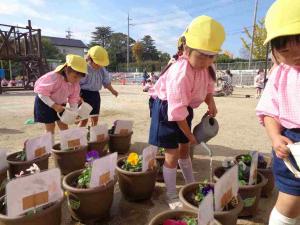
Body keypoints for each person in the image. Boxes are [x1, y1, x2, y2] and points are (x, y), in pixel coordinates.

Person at [148, 15, 225, 205]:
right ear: (186, 49)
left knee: (185, 149)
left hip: (184, 108)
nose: (206, 61)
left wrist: (211, 103)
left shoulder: (207, 66)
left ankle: (190, 184)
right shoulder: (180, 73)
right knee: (172, 153)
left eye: (211, 56)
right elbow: (176, 111)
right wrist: (189, 135)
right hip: (166, 109)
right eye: (201, 55)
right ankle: (172, 195)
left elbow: (208, 88)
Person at [256, 0, 300, 224]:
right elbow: (269, 112)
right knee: (290, 200)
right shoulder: (280, 74)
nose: (296, 55)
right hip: (293, 143)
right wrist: (275, 137)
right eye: (285, 51)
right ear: (274, 52)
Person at [34, 54, 87, 140]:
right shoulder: (53, 77)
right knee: (50, 127)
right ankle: (49, 149)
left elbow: (73, 99)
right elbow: (42, 93)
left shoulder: (75, 84)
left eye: (79, 78)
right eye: (75, 77)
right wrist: (54, 106)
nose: (77, 80)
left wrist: (74, 113)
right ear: (66, 70)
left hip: (60, 104)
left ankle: (66, 148)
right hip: (45, 102)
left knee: (64, 125)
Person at [79, 46, 118, 127]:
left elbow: (106, 82)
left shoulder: (102, 69)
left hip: (95, 95)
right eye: (97, 63)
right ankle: (79, 137)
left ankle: (92, 135)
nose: (99, 65)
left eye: (101, 63)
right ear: (90, 59)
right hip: (83, 94)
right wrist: (78, 96)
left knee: (95, 118)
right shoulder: (84, 68)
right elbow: (77, 84)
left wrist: (112, 91)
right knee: (84, 119)